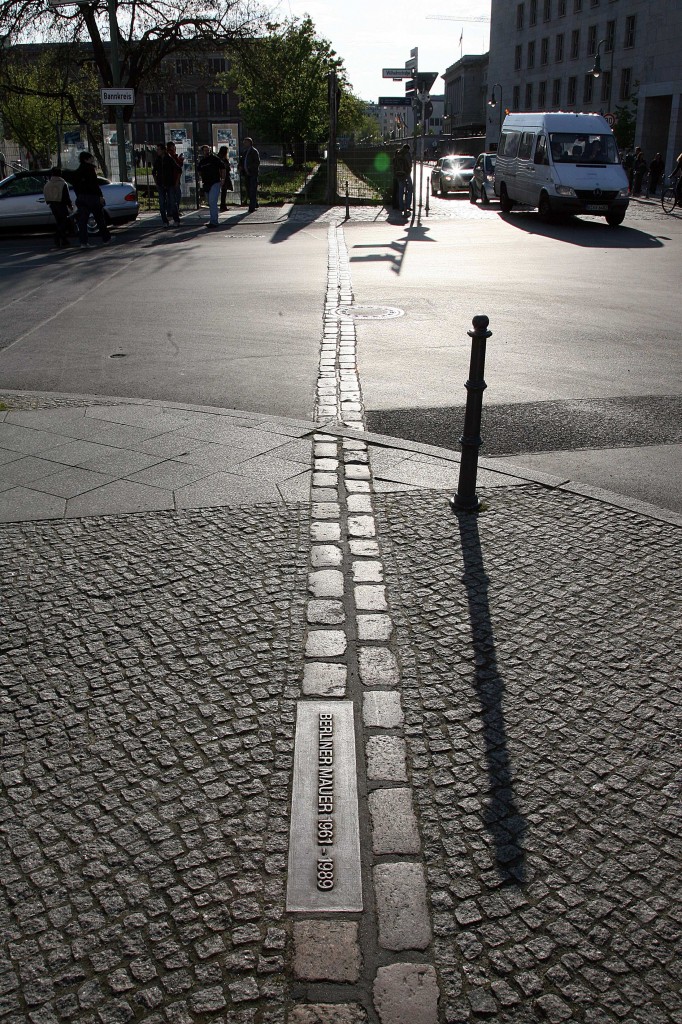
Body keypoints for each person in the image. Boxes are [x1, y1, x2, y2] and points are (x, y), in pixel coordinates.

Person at [70, 151, 111, 248]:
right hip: (92, 197)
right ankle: (106, 239)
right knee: (99, 218)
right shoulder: (90, 169)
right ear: (86, 159)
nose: (93, 159)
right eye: (91, 158)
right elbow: (94, 185)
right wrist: (100, 196)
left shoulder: (77, 172)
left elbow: (75, 186)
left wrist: (79, 195)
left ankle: (83, 242)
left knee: (82, 221)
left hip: (81, 198)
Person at [43, 166, 73, 248]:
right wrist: (70, 206)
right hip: (61, 205)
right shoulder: (62, 183)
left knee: (59, 222)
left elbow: (46, 195)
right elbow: (66, 196)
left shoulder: (48, 184)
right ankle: (57, 236)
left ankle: (63, 240)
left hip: (52, 205)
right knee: (65, 222)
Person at [152, 143, 180, 228]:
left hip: (170, 184)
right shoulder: (158, 160)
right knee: (161, 204)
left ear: (163, 150)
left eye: (159, 149)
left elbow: (179, 170)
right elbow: (154, 172)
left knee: (172, 202)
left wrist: (176, 182)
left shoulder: (169, 159)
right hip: (161, 184)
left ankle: (176, 220)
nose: (158, 151)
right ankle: (165, 221)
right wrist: (156, 183)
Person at [197, 144, 225, 228]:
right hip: (206, 183)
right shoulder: (202, 161)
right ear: (202, 152)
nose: (206, 152)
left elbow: (223, 167)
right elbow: (199, 171)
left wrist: (223, 179)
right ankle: (213, 220)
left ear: (210, 150)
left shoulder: (215, 159)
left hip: (215, 182)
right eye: (204, 150)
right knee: (210, 202)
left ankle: (214, 221)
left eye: (207, 150)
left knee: (213, 202)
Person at [239, 137, 260, 212]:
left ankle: (252, 207)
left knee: (252, 190)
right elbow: (242, 161)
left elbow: (257, 162)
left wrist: (249, 167)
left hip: (252, 173)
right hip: (246, 174)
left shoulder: (254, 151)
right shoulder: (245, 152)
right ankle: (255, 203)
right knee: (248, 190)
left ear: (249, 143)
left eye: (245, 142)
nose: (244, 143)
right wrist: (241, 166)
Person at [166, 140, 184, 217]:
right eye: (174, 147)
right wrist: (180, 159)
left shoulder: (167, 155)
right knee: (176, 196)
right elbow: (178, 165)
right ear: (171, 147)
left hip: (170, 179)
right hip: (174, 179)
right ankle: (174, 211)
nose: (175, 148)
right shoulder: (172, 155)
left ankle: (170, 211)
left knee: (170, 196)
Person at [394, 143, 413, 217]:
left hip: (398, 174)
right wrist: (408, 171)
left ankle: (401, 207)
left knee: (400, 190)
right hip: (406, 174)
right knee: (410, 189)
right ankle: (408, 205)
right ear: (408, 149)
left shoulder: (397, 154)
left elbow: (394, 164)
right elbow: (409, 164)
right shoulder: (407, 154)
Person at [217, 145, 234, 211]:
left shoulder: (219, 157)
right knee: (224, 191)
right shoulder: (222, 159)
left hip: (222, 176)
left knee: (224, 191)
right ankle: (223, 205)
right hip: (224, 176)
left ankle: (223, 205)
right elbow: (226, 167)